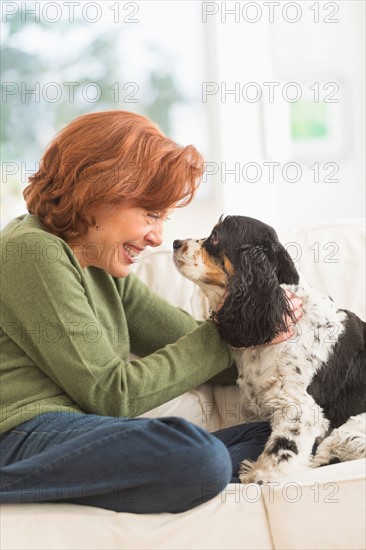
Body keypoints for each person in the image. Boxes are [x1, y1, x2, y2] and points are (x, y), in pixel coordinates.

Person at [0, 110, 302, 514]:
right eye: (151, 214)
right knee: (195, 455)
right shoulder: (31, 250)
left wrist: (270, 327)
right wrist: (230, 327)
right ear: (98, 192)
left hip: (83, 436)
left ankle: (122, 483)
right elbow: (112, 395)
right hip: (20, 435)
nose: (158, 236)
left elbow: (213, 356)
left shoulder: (105, 270)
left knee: (286, 435)